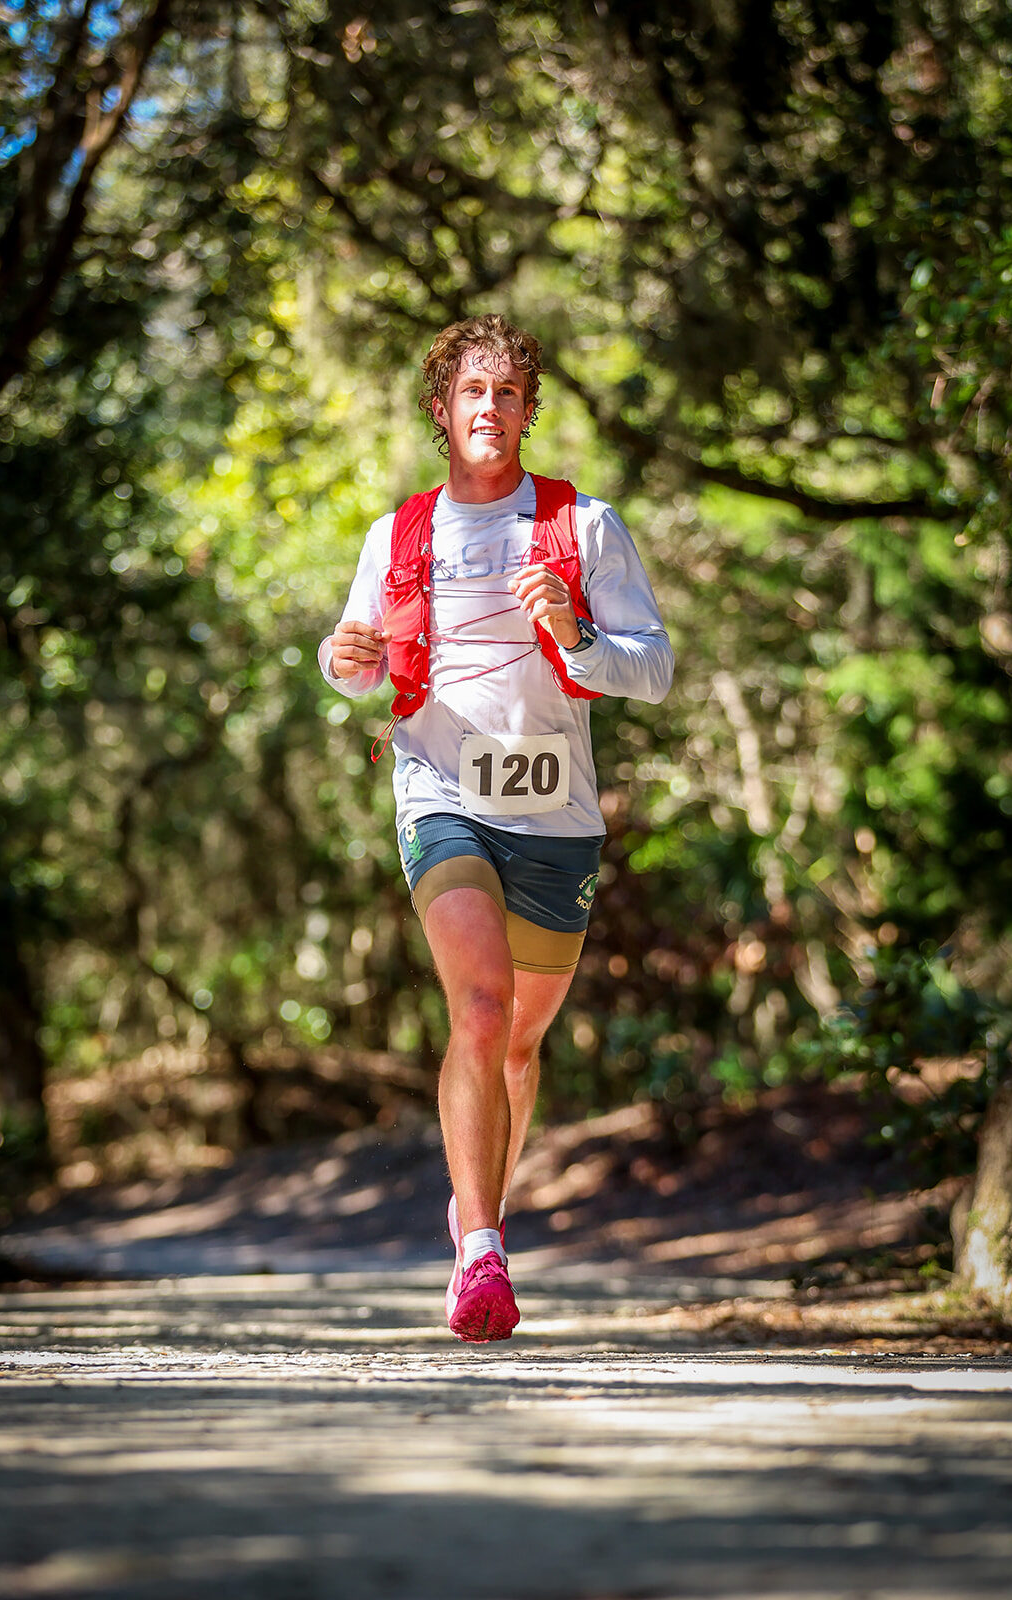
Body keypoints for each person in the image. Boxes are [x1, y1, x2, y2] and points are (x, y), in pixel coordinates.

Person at [318, 313, 673, 1342]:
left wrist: (574, 631)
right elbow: (361, 659)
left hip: (554, 813)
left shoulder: (582, 525)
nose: (490, 408)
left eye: (507, 393)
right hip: (439, 788)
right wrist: (347, 663)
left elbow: (650, 666)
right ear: (442, 410)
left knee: (516, 1045)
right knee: (475, 1008)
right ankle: (481, 1251)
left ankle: (476, 1193)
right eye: (471, 392)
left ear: (527, 409)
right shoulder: (398, 534)